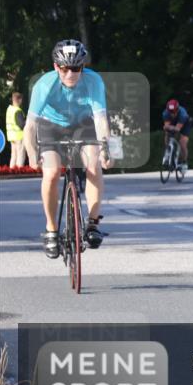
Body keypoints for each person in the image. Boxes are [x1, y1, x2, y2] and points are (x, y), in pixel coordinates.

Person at [23, 40, 113, 258]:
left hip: (83, 124)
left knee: (93, 166)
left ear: (83, 67)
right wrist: (33, 155)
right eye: (64, 68)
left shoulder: (94, 81)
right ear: (56, 67)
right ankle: (52, 229)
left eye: (76, 68)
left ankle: (92, 224)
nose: (70, 74)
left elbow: (101, 120)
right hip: (50, 126)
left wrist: (106, 150)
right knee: (52, 173)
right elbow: (30, 126)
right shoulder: (44, 84)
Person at [162, 98, 192, 170]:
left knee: (182, 143)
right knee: (167, 133)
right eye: (170, 112)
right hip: (173, 123)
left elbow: (177, 129)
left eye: (174, 111)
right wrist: (168, 127)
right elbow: (167, 126)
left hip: (185, 124)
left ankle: (184, 162)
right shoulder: (166, 113)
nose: (172, 114)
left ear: (178, 109)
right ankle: (168, 150)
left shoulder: (183, 114)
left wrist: (168, 127)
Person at [5, 92, 28, 168]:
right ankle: (19, 170)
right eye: (21, 99)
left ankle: (11, 170)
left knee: (14, 155)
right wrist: (26, 121)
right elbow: (21, 124)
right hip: (19, 136)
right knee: (20, 154)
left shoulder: (9, 109)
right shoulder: (17, 111)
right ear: (19, 100)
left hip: (11, 136)